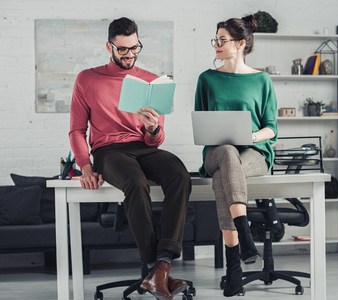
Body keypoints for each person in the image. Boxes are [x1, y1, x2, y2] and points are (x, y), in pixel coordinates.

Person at [69, 17, 191, 300]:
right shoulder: (87, 79)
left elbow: (157, 140)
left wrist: (153, 128)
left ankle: (162, 266)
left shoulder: (150, 81)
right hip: (108, 151)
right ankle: (154, 268)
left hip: (144, 147)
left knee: (180, 175)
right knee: (135, 183)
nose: (129, 55)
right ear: (109, 46)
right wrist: (85, 167)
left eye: (135, 48)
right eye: (122, 49)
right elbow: (77, 130)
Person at [194, 15, 278, 297]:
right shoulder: (206, 79)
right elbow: (202, 125)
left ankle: (234, 268)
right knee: (227, 153)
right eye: (215, 40)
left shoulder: (262, 80)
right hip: (214, 153)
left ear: (241, 43)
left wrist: (250, 137)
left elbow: (271, 129)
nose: (216, 44)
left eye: (222, 40)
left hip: (254, 154)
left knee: (224, 179)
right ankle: (245, 235)